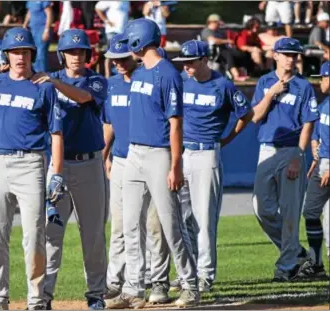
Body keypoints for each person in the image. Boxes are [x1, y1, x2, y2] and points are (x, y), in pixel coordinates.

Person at [0, 27, 65, 310]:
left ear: (32, 54)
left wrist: (56, 172)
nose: (20, 57)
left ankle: (36, 300)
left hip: (31, 163)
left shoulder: (43, 86)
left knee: (34, 235)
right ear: (6, 55)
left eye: (25, 51)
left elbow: (56, 133)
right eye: (15, 52)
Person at [105, 18, 199, 309]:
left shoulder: (167, 73)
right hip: (133, 154)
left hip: (159, 155)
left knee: (171, 226)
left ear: (138, 42)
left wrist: (175, 165)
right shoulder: (140, 72)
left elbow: (176, 124)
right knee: (131, 225)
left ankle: (190, 285)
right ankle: (133, 288)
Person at [30, 28, 108, 310]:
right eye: (72, 51)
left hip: (89, 163)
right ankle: (44, 297)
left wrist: (51, 82)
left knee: (93, 234)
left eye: (82, 51)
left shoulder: (96, 81)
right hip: (58, 165)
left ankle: (96, 294)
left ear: (88, 55)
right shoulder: (49, 82)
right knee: (52, 233)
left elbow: (83, 97)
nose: (77, 56)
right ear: (62, 55)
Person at [169, 40, 254, 293]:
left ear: (204, 60)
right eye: (183, 63)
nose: (186, 67)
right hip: (182, 154)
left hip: (207, 153)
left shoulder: (223, 85)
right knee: (181, 218)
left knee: (204, 219)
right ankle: (187, 273)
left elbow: (245, 114)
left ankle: (205, 275)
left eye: (190, 63)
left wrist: (227, 138)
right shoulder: (181, 82)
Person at [102, 34, 171, 305]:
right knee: (122, 225)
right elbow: (109, 122)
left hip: (151, 155)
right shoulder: (112, 85)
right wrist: (104, 155)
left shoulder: (151, 78)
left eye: (122, 58)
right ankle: (122, 283)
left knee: (155, 225)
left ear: (136, 54)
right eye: (113, 59)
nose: (118, 63)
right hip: (120, 160)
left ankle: (159, 282)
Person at [251, 38, 320, 282]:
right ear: (275, 55)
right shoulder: (264, 82)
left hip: (292, 150)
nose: (291, 58)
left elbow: (308, 123)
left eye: (295, 54)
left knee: (290, 212)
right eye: (286, 54)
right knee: (261, 209)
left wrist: (299, 156)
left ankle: (287, 266)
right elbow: (256, 117)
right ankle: (296, 252)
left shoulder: (303, 86)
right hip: (267, 149)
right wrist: (271, 94)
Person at [301, 61, 330, 278]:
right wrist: (316, 157)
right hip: (322, 164)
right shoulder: (325, 104)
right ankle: (317, 263)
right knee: (313, 213)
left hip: (328, 167)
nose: (321, 81)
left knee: (313, 212)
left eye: (324, 77)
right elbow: (318, 135)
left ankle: (317, 263)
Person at [94, 1, 130, 78]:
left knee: (121, 54)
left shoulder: (127, 1)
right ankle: (108, 76)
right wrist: (106, 21)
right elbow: (97, 8)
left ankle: (120, 75)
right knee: (111, 54)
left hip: (123, 32)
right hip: (113, 31)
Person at [23, 1, 53, 72]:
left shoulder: (44, 1)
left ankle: (44, 75)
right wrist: (25, 24)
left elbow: (50, 14)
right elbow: (29, 12)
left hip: (42, 30)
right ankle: (35, 74)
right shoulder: (29, 2)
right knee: (34, 53)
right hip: (33, 30)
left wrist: (46, 30)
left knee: (41, 54)